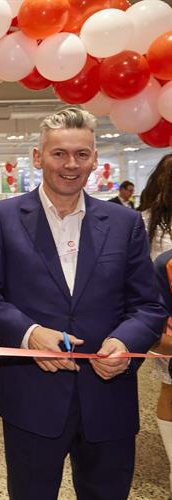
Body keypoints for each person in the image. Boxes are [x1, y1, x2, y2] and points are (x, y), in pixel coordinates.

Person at [0, 107, 167, 500]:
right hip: (31, 397)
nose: (70, 164)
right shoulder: (3, 217)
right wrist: (29, 335)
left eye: (81, 154)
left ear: (95, 158)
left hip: (108, 397)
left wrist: (125, 343)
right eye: (59, 153)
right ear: (38, 157)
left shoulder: (123, 223)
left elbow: (148, 305)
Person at [139, 153, 172, 499]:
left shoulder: (144, 221)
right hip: (162, 319)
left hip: (158, 322)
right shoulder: (148, 225)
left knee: (169, 385)